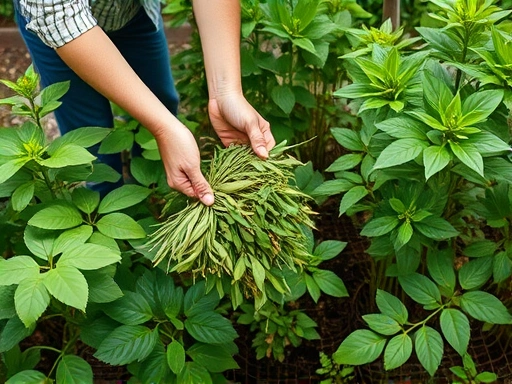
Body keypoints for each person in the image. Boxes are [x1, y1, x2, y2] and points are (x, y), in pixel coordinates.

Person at [14, 0, 275, 205]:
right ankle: (106, 221)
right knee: (92, 140)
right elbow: (57, 12)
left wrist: (226, 93)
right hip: (59, 25)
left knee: (162, 100)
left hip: (133, 11)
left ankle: (153, 193)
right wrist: (164, 129)